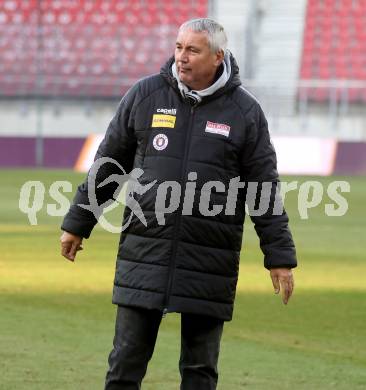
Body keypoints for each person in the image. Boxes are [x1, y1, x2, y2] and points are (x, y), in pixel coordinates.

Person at [60, 18, 297, 390]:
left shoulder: (245, 112)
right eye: (178, 47)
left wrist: (279, 256)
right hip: (145, 252)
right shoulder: (145, 95)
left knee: (200, 370)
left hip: (208, 260)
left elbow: (263, 187)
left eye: (193, 50)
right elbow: (109, 164)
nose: (181, 57)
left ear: (218, 56)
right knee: (124, 364)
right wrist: (78, 221)